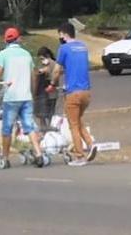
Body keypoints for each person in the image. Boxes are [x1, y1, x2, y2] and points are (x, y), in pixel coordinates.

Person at [0, 27, 44, 169]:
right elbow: (34, 75)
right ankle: (38, 154)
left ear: (6, 40)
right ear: (18, 39)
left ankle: (5, 159)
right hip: (26, 96)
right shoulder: (26, 54)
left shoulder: (3, 54)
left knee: (7, 129)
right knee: (29, 126)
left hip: (11, 97)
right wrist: (33, 92)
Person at [48, 23, 97, 167]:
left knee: (73, 125)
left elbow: (56, 70)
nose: (59, 38)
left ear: (64, 34)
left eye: (60, 35)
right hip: (86, 92)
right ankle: (90, 144)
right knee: (78, 120)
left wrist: (52, 83)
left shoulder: (64, 48)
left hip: (73, 92)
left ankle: (79, 156)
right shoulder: (82, 47)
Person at [35, 47, 58, 131]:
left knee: (48, 112)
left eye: (42, 58)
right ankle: (44, 128)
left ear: (47, 56)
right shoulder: (45, 64)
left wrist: (43, 70)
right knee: (43, 113)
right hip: (45, 92)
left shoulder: (52, 64)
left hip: (50, 92)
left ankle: (48, 128)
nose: (41, 61)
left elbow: (53, 72)